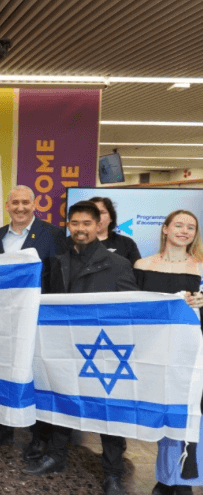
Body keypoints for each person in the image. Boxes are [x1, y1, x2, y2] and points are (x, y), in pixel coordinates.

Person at [23, 201, 137, 495]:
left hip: (103, 351)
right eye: (75, 223)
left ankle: (113, 474)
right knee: (63, 403)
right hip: (66, 348)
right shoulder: (59, 261)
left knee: (108, 413)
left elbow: (130, 309)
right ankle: (57, 457)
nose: (80, 229)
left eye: (86, 223)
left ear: (99, 225)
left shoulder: (118, 264)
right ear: (68, 226)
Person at [0, 185, 68, 457]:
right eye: (15, 203)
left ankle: (39, 435)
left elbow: (58, 277)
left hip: (38, 316)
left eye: (25, 203)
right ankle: (4, 426)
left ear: (35, 205)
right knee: (4, 369)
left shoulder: (53, 234)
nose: (20, 207)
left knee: (37, 374)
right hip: (5, 316)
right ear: (7, 206)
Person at [134, 210, 203, 495]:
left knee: (188, 413)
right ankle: (166, 477)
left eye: (191, 227)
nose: (184, 230)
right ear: (164, 229)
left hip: (194, 353)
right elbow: (133, 309)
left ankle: (185, 480)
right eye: (179, 225)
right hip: (156, 352)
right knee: (164, 415)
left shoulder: (201, 268)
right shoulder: (142, 265)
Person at [89, 196, 142, 265]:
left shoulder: (127, 243)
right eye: (92, 212)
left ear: (111, 218)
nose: (97, 216)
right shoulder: (75, 243)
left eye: (101, 212)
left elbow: (137, 272)